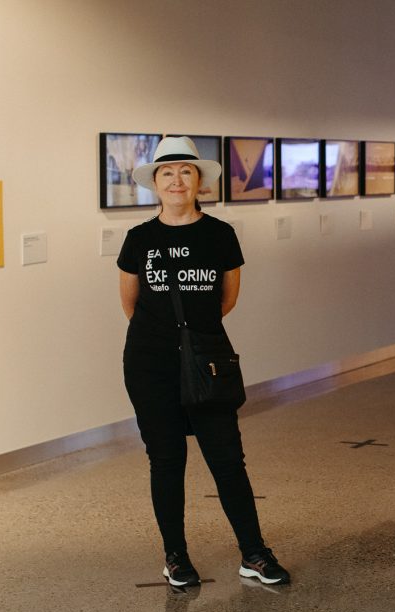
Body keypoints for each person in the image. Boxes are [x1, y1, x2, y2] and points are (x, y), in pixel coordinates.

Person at [117, 136, 289, 588]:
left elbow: (226, 300)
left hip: (209, 361)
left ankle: (254, 552)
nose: (177, 180)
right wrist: (167, 340)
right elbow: (131, 303)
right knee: (167, 460)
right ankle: (175, 556)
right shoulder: (139, 239)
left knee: (228, 459)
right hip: (150, 365)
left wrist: (191, 340)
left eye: (186, 172)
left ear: (199, 182)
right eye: (168, 173)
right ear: (155, 182)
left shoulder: (220, 235)